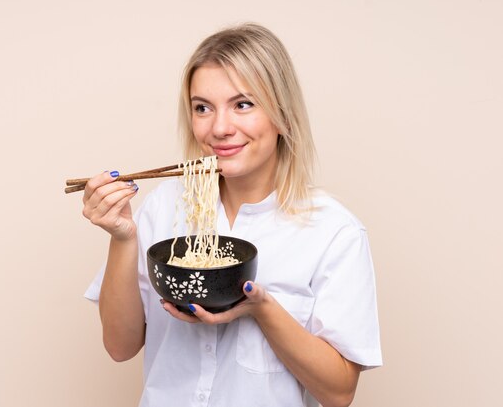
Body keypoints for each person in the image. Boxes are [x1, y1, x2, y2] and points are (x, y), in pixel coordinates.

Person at [81, 23, 382, 407]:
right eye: (202, 108)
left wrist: (262, 310)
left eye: (243, 104)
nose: (220, 128)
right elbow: (120, 347)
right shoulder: (166, 203)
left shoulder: (333, 231)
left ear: (283, 116)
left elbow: (339, 392)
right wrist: (122, 237)